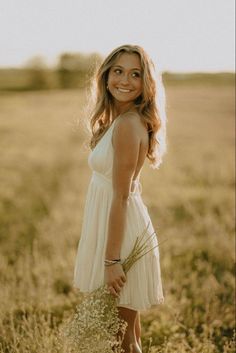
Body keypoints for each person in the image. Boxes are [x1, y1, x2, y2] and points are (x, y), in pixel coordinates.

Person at [73, 44, 167, 353]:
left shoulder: (128, 125)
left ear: (145, 83)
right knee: (127, 336)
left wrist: (113, 260)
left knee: (122, 341)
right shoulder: (120, 120)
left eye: (135, 74)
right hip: (114, 228)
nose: (125, 80)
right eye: (118, 71)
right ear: (106, 76)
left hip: (121, 234)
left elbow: (122, 197)